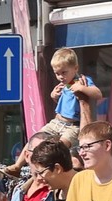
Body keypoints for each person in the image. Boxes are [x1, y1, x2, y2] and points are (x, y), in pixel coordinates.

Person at [5, 48, 100, 176]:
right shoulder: (65, 84)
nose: (60, 76)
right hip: (57, 122)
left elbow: (97, 94)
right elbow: (66, 105)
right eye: (57, 73)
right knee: (35, 139)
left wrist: (82, 88)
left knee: (59, 148)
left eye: (64, 72)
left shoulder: (82, 80)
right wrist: (54, 96)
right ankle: (17, 166)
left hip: (72, 126)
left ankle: (48, 171)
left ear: (75, 68)